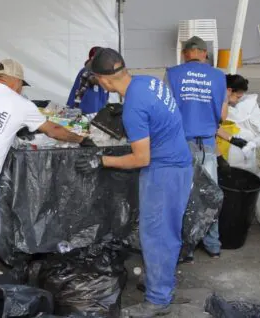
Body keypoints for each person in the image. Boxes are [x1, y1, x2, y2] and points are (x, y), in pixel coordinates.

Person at [0, 59, 96, 292]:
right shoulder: (20, 103)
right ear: (15, 83)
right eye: (22, 85)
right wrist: (82, 139)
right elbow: (53, 130)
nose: (21, 89)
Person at [75, 48, 193, 317]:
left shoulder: (133, 107)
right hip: (179, 163)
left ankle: (158, 299)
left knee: (157, 236)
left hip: (164, 172)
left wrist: (101, 161)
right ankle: (159, 281)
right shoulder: (147, 82)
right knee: (166, 232)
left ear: (104, 81)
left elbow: (141, 158)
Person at [165, 36, 228, 263]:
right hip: (208, 143)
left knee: (184, 196)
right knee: (211, 194)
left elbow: (167, 112)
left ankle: (187, 248)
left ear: (185, 53)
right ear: (203, 53)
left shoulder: (172, 74)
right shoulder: (219, 76)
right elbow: (223, 115)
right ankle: (213, 245)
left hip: (181, 144)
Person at [66, 46, 109, 115]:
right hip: (85, 109)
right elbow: (94, 80)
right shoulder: (87, 70)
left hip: (99, 108)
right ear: (92, 58)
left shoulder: (102, 70)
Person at [216, 74, 250, 145]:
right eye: (237, 97)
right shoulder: (216, 104)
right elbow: (211, 126)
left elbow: (214, 127)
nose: (237, 101)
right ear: (229, 91)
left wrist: (231, 139)